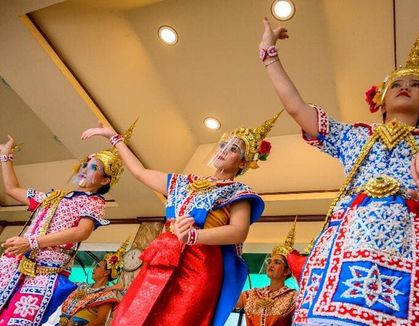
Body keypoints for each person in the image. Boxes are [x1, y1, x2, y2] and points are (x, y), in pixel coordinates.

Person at [259, 17, 419, 325]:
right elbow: (297, 108)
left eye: (416, 85)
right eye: (396, 83)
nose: (405, 87)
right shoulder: (354, 134)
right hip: (350, 242)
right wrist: (269, 56)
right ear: (381, 101)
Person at [80, 113, 280, 326]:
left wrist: (194, 235)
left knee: (179, 319)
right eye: (223, 144)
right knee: (135, 316)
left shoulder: (239, 192)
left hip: (199, 264)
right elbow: (140, 172)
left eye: (233, 149)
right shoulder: (183, 183)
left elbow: (238, 231)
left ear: (243, 162)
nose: (223, 150)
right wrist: (114, 138)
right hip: (163, 256)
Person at [0, 129, 128, 326]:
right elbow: (12, 189)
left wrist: (31, 242)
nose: (84, 168)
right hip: (16, 263)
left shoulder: (94, 201)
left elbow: (81, 232)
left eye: (93, 167)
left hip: (46, 273)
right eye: (84, 164)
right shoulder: (53, 197)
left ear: (104, 180)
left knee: (17, 322)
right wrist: (5, 156)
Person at [236, 222, 298, 326]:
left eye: (277, 262)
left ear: (287, 271)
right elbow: (227, 300)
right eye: (270, 262)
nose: (271, 265)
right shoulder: (252, 294)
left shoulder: (293, 297)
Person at [56, 240, 129, 326]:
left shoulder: (107, 295)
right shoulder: (81, 285)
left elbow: (101, 321)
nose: (94, 269)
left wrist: (120, 288)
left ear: (106, 273)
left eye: (98, 266)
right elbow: (61, 285)